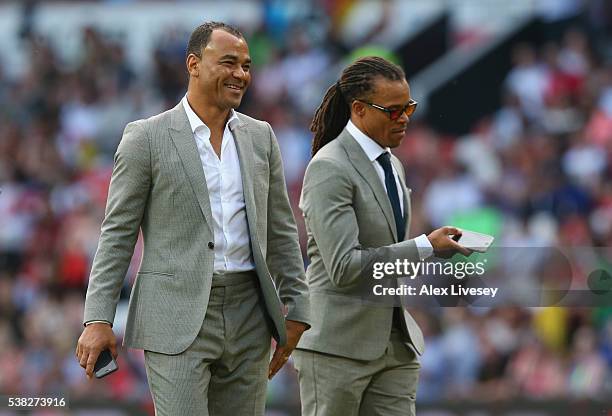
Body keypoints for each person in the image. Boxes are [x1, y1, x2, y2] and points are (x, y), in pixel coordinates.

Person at [75, 21, 310, 416]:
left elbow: (280, 228)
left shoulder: (261, 136)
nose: (241, 74)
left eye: (247, 66)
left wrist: (298, 306)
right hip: (175, 316)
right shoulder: (145, 137)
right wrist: (97, 317)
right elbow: (117, 233)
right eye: (229, 62)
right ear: (194, 64)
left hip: (250, 314)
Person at [293, 56, 469, 416]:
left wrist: (431, 250)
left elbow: (387, 250)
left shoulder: (393, 163)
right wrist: (424, 247)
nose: (404, 118)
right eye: (392, 111)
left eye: (409, 107)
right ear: (358, 109)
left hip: (395, 343)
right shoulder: (329, 167)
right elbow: (344, 266)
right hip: (337, 346)